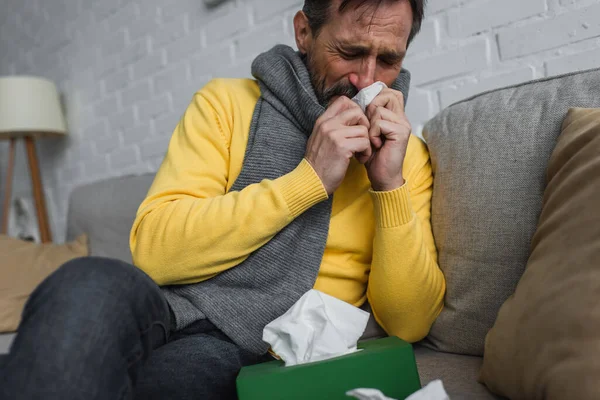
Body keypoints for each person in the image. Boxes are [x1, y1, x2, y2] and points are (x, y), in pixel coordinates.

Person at [0, 0, 445, 399]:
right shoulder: (225, 104)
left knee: (182, 377)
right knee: (86, 283)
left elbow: (408, 323)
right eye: (348, 52)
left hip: (253, 345)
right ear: (304, 32)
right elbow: (155, 251)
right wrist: (307, 180)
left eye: (388, 59)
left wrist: (388, 184)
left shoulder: (404, 156)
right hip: (172, 306)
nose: (365, 79)